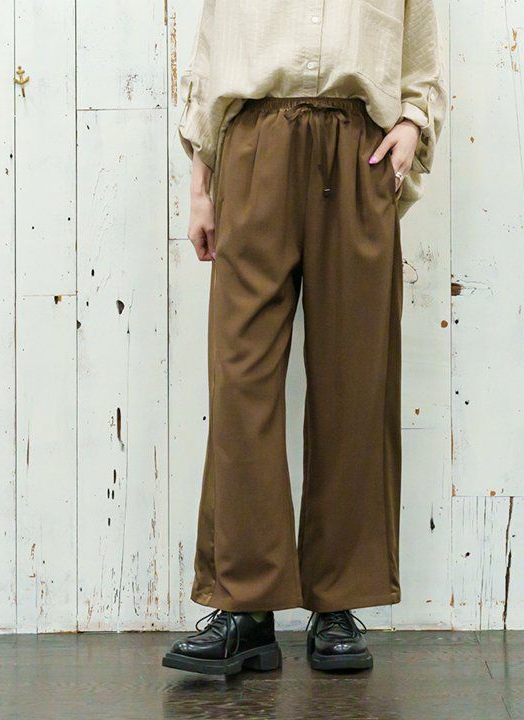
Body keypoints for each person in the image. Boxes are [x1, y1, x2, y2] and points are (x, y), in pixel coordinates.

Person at [162, 0, 446, 676]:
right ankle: (246, 607)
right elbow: (212, 55)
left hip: (358, 149)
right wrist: (200, 184)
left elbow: (421, 50)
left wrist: (412, 123)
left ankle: (339, 601)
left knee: (355, 378)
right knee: (241, 377)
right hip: (254, 144)